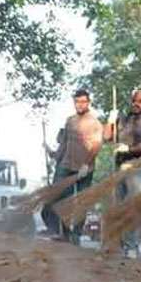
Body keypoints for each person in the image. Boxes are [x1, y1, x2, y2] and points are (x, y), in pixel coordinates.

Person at [105, 89, 141, 258]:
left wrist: (128, 148)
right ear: (131, 100)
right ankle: (118, 245)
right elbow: (107, 137)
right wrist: (110, 120)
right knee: (118, 207)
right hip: (119, 167)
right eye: (135, 100)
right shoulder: (122, 120)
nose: (137, 103)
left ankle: (132, 245)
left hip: (138, 167)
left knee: (133, 206)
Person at [49, 89, 104, 244]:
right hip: (66, 165)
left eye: (83, 101)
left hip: (85, 168)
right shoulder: (70, 120)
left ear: (88, 103)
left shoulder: (95, 123)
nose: (79, 104)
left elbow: (96, 145)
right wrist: (56, 157)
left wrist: (86, 164)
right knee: (62, 199)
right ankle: (64, 233)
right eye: (77, 101)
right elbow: (64, 142)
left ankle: (76, 235)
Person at [40, 128, 67, 236]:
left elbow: (55, 156)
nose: (57, 137)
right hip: (58, 182)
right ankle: (53, 229)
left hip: (60, 184)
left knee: (48, 209)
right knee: (49, 208)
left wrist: (47, 148)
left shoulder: (64, 147)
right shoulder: (64, 148)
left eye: (59, 135)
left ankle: (53, 230)